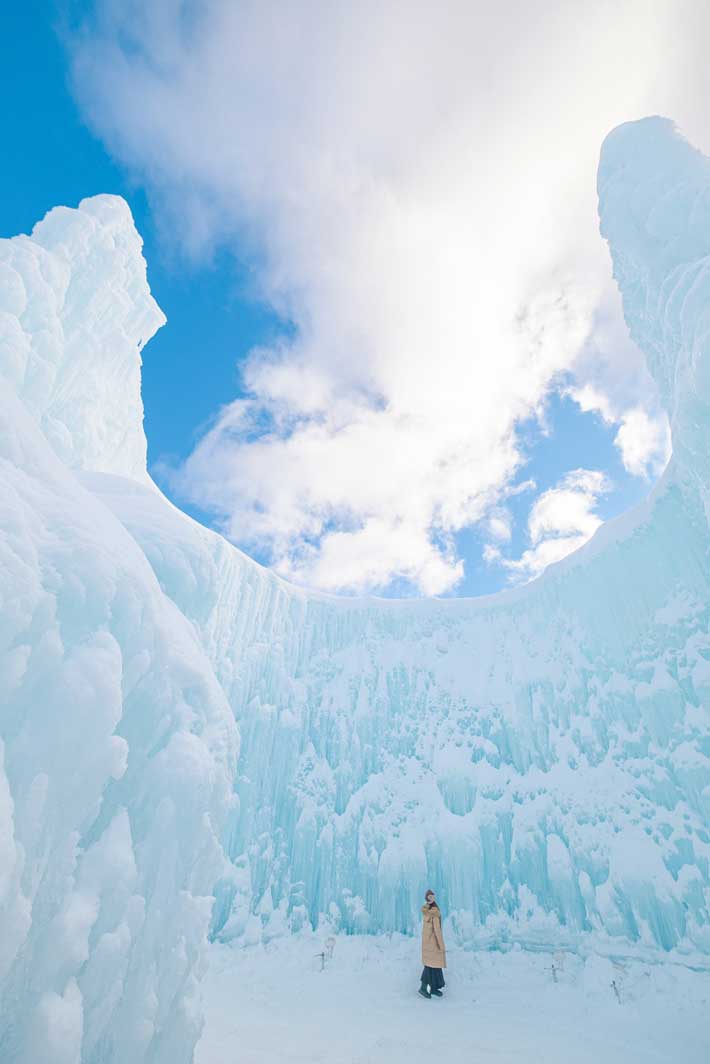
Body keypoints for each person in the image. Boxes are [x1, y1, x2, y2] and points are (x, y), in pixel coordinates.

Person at [419, 888, 446, 999]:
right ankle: (423, 988)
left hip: (427, 943)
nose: (432, 898)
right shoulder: (434, 911)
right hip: (433, 944)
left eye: (433, 896)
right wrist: (441, 945)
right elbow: (437, 930)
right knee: (430, 966)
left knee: (435, 965)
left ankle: (434, 988)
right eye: (430, 897)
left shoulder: (426, 911)